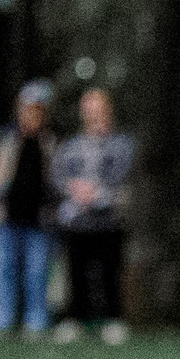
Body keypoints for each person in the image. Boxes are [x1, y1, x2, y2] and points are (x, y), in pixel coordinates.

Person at [52, 87, 134, 344]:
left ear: (107, 110)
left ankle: (112, 320)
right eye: (88, 109)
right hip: (78, 221)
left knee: (110, 271)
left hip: (109, 219)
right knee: (76, 272)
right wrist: (74, 189)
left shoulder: (121, 145)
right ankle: (74, 319)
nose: (92, 114)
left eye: (97, 108)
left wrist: (96, 191)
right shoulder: (71, 146)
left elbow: (122, 173)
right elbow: (59, 176)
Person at [0, 81, 60, 339]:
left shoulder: (50, 141)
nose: (32, 114)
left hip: (38, 218)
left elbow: (55, 180)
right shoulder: (7, 137)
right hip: (6, 215)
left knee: (37, 273)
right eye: (28, 108)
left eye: (38, 109)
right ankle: (0, 322)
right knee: (2, 270)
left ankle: (36, 323)